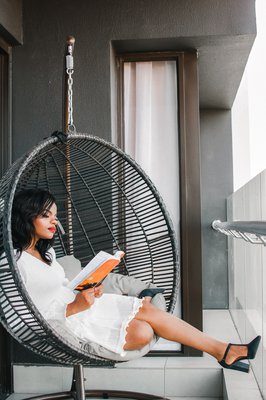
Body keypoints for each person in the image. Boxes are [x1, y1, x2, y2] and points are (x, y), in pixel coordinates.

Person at [11, 188, 260, 372]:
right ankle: (224, 351)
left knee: (146, 309)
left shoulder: (48, 253)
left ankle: (223, 350)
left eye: (55, 215)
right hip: (67, 323)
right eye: (46, 215)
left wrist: (89, 288)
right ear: (26, 216)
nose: (55, 221)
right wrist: (75, 306)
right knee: (142, 332)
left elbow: (60, 287)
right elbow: (21, 317)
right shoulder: (15, 262)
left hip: (81, 307)